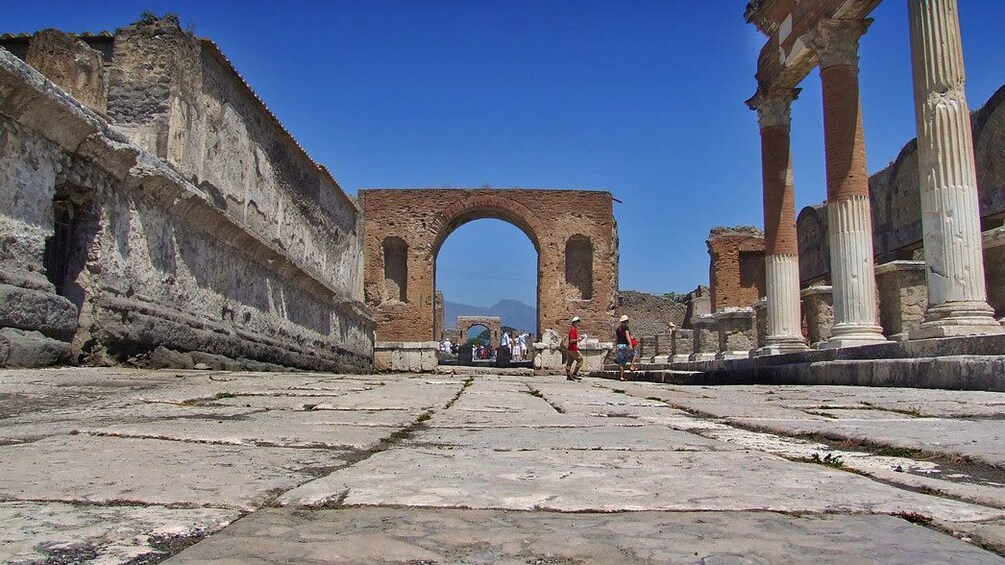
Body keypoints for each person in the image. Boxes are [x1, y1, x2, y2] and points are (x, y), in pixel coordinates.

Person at [614, 314, 634, 381]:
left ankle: (621, 377)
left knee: (621, 362)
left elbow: (616, 339)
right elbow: (627, 336)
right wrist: (630, 344)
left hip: (619, 346)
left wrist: (616, 346)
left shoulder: (618, 329)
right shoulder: (625, 328)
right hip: (625, 345)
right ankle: (631, 366)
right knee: (634, 355)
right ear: (626, 321)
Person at [565, 316, 584, 381]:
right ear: (574, 323)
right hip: (573, 349)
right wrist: (578, 339)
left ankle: (568, 376)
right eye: (577, 322)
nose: (578, 324)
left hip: (570, 349)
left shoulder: (572, 330)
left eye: (579, 322)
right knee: (580, 360)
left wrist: (579, 339)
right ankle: (574, 374)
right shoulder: (573, 330)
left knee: (569, 362)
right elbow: (572, 340)